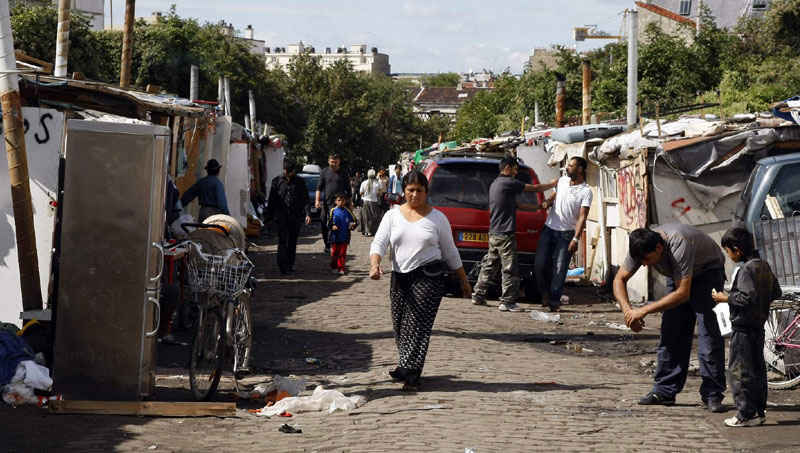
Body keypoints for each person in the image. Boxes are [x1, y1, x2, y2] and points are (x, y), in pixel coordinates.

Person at [369, 170, 471, 391]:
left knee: (417, 326)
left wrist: (463, 280)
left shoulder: (438, 218)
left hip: (429, 276)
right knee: (400, 325)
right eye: (410, 190)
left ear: (426, 192)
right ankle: (405, 364)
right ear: (404, 191)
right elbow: (379, 243)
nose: (414, 195)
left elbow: (450, 251)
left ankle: (412, 374)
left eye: (419, 191)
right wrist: (375, 264)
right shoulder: (392, 216)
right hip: (400, 276)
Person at [614, 225, 727, 410]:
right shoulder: (641, 247)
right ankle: (664, 391)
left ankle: (712, 394)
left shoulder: (678, 244)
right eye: (640, 261)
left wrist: (643, 311)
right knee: (672, 332)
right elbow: (619, 280)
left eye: (647, 260)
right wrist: (629, 313)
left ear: (659, 248)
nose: (644, 265)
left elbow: (683, 293)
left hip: (707, 273)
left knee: (708, 334)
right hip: (679, 276)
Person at [712, 227, 781, 427]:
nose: (728, 255)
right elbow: (775, 291)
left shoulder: (746, 269)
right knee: (757, 371)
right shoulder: (764, 265)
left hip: (743, 328)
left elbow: (745, 298)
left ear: (737, 250)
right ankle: (758, 412)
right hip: (758, 326)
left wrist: (724, 297)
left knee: (739, 372)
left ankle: (745, 414)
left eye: (728, 251)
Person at [472, 157, 557, 312]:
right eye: (515, 169)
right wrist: (553, 184)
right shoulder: (508, 183)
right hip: (505, 234)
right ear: (508, 168)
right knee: (509, 268)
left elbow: (518, 205)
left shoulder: (496, 184)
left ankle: (478, 294)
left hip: (495, 232)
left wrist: (539, 207)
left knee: (490, 266)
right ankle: (508, 301)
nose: (516, 173)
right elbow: (534, 188)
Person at [534, 156, 593, 312]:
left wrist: (576, 238)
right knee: (540, 265)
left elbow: (582, 217)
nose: (567, 168)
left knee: (560, 269)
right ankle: (545, 295)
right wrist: (547, 202)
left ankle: (554, 302)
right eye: (567, 165)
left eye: (571, 165)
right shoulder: (562, 181)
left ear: (580, 169)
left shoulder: (586, 191)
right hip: (549, 229)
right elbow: (554, 196)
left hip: (566, 234)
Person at [265, 158, 312, 275]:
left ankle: (290, 265)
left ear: (293, 171)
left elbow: (305, 199)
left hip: (295, 217)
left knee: (292, 242)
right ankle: (282, 266)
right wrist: (268, 217)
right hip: (281, 217)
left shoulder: (300, 182)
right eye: (285, 171)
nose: (287, 174)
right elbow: (272, 200)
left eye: (289, 172)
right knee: (282, 241)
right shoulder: (276, 181)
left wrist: (308, 213)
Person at [316, 153, 351, 254]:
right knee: (324, 223)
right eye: (331, 162)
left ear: (339, 161)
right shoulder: (324, 172)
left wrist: (350, 205)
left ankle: (334, 244)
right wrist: (317, 200)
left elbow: (348, 191)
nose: (333, 164)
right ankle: (327, 244)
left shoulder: (343, 173)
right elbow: (319, 188)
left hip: (340, 205)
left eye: (335, 162)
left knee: (337, 224)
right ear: (328, 161)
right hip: (326, 204)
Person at [327, 193, 357, 275]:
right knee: (335, 253)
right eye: (339, 200)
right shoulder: (332, 211)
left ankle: (341, 268)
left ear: (345, 201)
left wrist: (352, 225)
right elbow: (328, 222)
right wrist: (332, 226)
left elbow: (355, 221)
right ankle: (334, 266)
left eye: (343, 200)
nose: (341, 202)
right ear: (335, 201)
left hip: (345, 236)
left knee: (342, 253)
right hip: (335, 237)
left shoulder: (347, 211)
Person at [359, 169, 382, 236]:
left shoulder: (364, 182)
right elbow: (379, 193)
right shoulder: (377, 183)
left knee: (366, 217)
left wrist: (365, 194)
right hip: (374, 202)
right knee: (373, 217)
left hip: (365, 201)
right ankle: (372, 230)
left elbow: (361, 192)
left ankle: (367, 231)